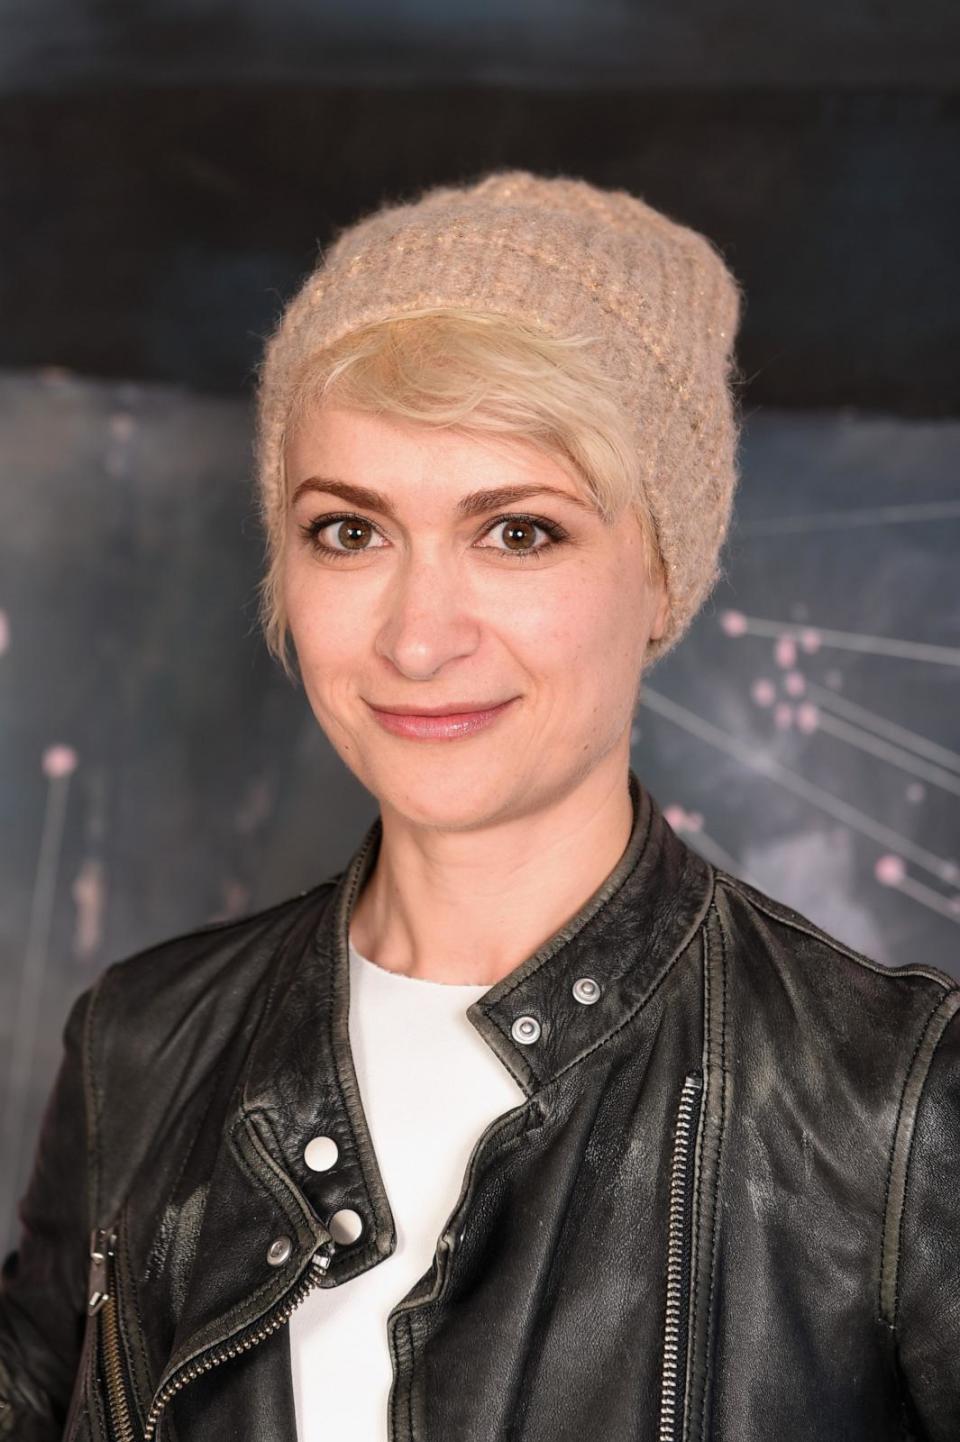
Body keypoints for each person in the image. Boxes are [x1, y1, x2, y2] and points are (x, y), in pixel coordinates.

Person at [1, 168, 957, 1442]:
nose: (418, 636)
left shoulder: (893, 1101)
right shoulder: (138, 1042)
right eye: (350, 530)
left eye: (518, 532)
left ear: (665, 572)